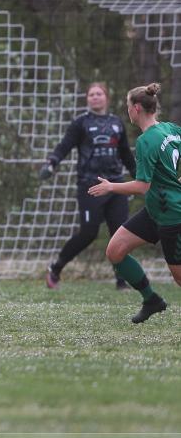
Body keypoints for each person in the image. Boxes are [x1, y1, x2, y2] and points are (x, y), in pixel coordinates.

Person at [88, 83, 174, 324]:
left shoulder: (147, 140)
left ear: (136, 108)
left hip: (172, 214)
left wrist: (110, 187)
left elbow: (141, 186)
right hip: (155, 210)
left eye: (128, 106)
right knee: (115, 251)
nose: (127, 111)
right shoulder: (171, 129)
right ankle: (151, 300)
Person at [40, 82, 136, 289]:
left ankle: (122, 281)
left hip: (115, 185)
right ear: (87, 99)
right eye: (91, 94)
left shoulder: (117, 123)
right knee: (88, 233)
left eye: (99, 93)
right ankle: (56, 269)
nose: (95, 97)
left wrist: (140, 177)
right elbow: (64, 146)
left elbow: (126, 154)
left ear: (106, 97)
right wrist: (51, 163)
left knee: (120, 233)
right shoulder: (80, 123)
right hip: (89, 186)